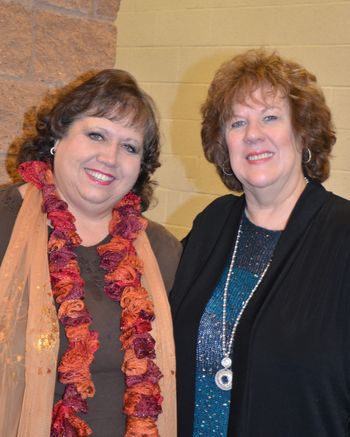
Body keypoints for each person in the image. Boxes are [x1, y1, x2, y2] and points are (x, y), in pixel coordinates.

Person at [170, 48, 350, 436]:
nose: (253, 135)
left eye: (270, 117)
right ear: (224, 145)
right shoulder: (212, 225)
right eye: (237, 123)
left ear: (303, 132)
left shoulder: (343, 234)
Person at [0, 69, 181, 437]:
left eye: (129, 147)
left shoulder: (163, 252)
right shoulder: (5, 224)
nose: (110, 157)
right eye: (96, 134)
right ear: (58, 138)